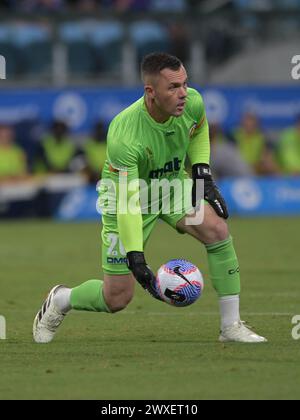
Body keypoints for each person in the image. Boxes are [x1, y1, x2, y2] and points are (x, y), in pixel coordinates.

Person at [33, 53, 267, 344]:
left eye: (185, 83)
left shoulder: (192, 101)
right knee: (117, 297)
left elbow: (199, 129)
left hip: (172, 186)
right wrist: (136, 257)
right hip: (128, 196)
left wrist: (202, 174)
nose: (183, 93)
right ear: (151, 92)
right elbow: (129, 203)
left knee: (217, 230)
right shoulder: (124, 133)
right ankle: (62, 299)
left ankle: (230, 326)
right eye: (173, 87)